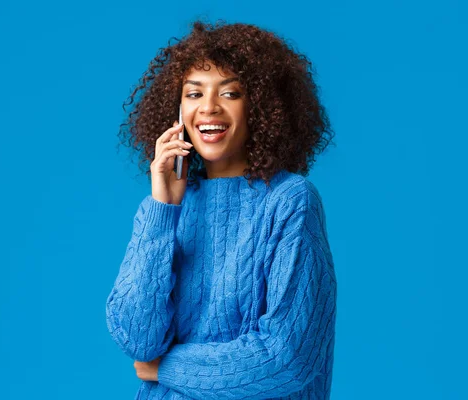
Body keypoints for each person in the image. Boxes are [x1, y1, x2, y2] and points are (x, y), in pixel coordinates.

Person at [106, 20, 337, 399]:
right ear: (177, 110)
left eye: (230, 93)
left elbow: (287, 358)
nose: (208, 107)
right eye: (194, 94)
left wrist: (164, 369)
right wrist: (162, 206)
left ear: (259, 107)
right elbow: (138, 340)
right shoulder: (168, 209)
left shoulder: (290, 200)